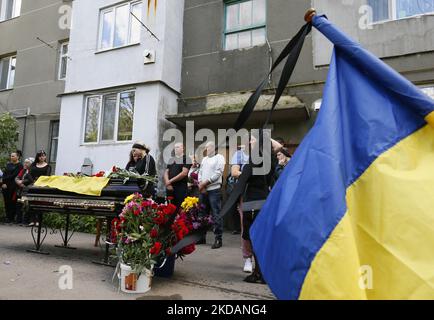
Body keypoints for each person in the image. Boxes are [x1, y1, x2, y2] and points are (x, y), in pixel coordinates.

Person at [242, 134, 282, 283]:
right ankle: (260, 272)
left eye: (252, 140)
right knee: (257, 238)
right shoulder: (268, 158)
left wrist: (263, 137)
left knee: (255, 237)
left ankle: (260, 274)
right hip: (259, 200)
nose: (249, 142)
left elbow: (278, 146)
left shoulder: (258, 161)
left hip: (254, 201)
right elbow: (277, 146)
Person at [229, 144, 253, 273]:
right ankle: (248, 258)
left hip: (263, 194)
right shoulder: (240, 154)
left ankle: (261, 260)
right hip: (246, 194)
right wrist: (251, 176)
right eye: (251, 140)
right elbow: (234, 172)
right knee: (246, 226)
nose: (252, 142)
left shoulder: (265, 155)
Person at [198, 141, 226, 249]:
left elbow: (218, 173)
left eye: (208, 147)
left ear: (214, 148)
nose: (206, 149)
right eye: (205, 147)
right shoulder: (204, 159)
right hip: (203, 190)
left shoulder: (220, 157)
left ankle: (218, 239)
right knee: (202, 214)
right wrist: (201, 184)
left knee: (216, 214)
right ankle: (201, 237)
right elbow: (200, 172)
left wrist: (205, 183)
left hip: (214, 190)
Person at [27, 150, 52, 226]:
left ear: (45, 157)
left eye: (43, 155)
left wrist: (39, 182)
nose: (42, 157)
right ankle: (32, 220)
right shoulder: (33, 165)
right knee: (31, 202)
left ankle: (38, 220)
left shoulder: (48, 166)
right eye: (40, 156)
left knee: (39, 203)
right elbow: (28, 174)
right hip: (33, 186)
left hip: (41, 187)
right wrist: (33, 182)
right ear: (38, 157)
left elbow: (47, 176)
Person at [164, 143, 191, 209]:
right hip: (169, 187)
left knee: (179, 208)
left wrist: (170, 181)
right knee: (170, 208)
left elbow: (184, 173)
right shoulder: (171, 159)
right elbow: (166, 172)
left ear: (183, 148)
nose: (176, 149)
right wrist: (167, 183)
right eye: (175, 147)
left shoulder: (186, 159)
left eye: (178, 147)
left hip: (180, 188)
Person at [1, 152, 23, 223]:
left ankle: (11, 217)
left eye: (13, 156)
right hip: (5, 185)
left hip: (13, 186)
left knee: (12, 202)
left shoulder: (20, 165)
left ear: (17, 157)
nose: (11, 157)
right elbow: (4, 174)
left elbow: (14, 175)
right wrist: (3, 183)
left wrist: (5, 179)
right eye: (11, 156)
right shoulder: (8, 164)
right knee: (6, 201)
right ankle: (7, 217)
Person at [15, 158, 34, 225]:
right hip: (21, 190)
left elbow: (31, 180)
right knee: (19, 205)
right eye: (25, 162)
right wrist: (18, 182)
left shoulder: (32, 170)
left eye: (27, 162)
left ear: (31, 164)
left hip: (28, 190)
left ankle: (25, 221)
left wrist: (22, 182)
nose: (25, 164)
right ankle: (18, 220)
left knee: (26, 205)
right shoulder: (23, 170)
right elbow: (17, 177)